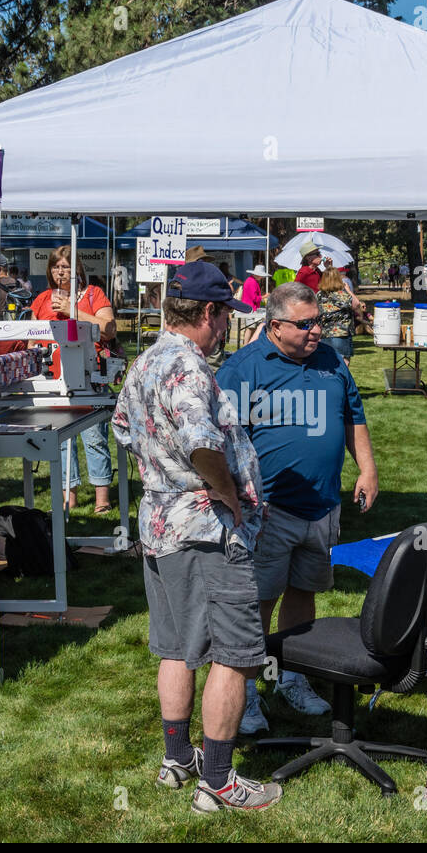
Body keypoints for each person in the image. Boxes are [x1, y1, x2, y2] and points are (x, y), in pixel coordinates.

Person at [111, 260, 281, 813]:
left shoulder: (144, 362)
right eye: (226, 314)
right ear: (208, 312)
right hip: (203, 529)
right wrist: (227, 487)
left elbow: (121, 429)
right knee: (232, 653)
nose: (229, 325)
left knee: (177, 649)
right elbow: (200, 441)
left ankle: (176, 758)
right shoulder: (186, 367)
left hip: (159, 524)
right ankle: (220, 781)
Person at [216, 281, 379, 732]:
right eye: (305, 325)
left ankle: (291, 675)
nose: (316, 332)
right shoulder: (243, 369)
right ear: (274, 326)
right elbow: (222, 441)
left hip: (322, 506)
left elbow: (353, 415)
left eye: (320, 322)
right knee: (259, 601)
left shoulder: (329, 360)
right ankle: (246, 690)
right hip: (270, 511)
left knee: (304, 592)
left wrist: (367, 469)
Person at [32, 246, 117, 513]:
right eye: (56, 266)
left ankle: (102, 497)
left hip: (89, 376)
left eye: (66, 266)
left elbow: (108, 329)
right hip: (54, 379)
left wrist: (73, 311)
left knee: (94, 437)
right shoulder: (43, 299)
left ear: (77, 269)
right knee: (61, 439)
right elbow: (33, 337)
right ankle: (70, 495)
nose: (60, 271)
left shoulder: (93, 294)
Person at [315, 266, 367, 366]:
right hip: (341, 334)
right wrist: (348, 289)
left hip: (324, 334)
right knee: (343, 366)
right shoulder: (342, 294)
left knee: (327, 366)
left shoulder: (319, 294)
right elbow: (356, 304)